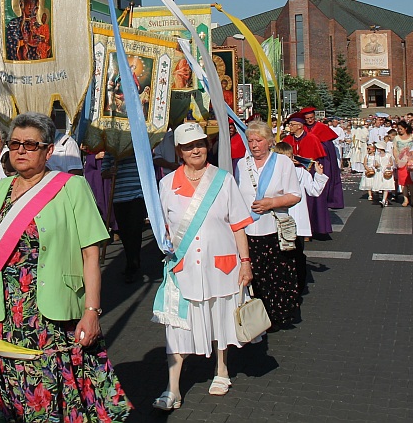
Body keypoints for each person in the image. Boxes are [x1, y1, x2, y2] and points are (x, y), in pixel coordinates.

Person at [0, 112, 131, 421]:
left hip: (53, 319)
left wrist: (92, 312)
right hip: (7, 318)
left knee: (56, 395)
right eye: (15, 143)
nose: (20, 150)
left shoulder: (72, 188)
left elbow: (91, 254)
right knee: (15, 398)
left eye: (30, 144)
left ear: (48, 151)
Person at [151, 122, 253, 410]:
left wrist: (245, 262)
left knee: (221, 316)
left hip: (222, 265)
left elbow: (238, 225)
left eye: (199, 144)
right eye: (188, 146)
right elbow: (163, 228)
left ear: (207, 146)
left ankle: (222, 371)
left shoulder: (223, 180)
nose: (195, 150)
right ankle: (172, 389)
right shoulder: (167, 184)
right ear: (179, 152)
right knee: (176, 325)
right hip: (183, 269)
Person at [233, 121, 301, 329]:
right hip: (248, 231)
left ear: (270, 142)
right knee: (254, 275)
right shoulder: (242, 165)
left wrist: (272, 202)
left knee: (276, 276)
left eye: (259, 140)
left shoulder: (282, 163)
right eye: (250, 141)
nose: (254, 145)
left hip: (273, 229)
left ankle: (276, 316)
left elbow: (295, 195)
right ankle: (256, 316)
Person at [271, 141, 324, 295]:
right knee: (282, 254)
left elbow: (314, 191)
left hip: (297, 220)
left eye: (290, 157)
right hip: (279, 220)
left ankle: (299, 285)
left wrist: (319, 175)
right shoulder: (272, 175)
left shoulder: (300, 173)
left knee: (297, 253)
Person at [282, 114, 332, 236]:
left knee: (310, 202)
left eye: (292, 125)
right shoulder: (287, 140)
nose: (290, 127)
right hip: (290, 173)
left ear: (300, 126)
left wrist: (302, 161)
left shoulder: (312, 138)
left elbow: (317, 158)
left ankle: (311, 228)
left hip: (307, 173)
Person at [101, 153, 147, 283]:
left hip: (137, 195)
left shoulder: (137, 147)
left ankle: (132, 265)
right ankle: (131, 260)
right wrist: (111, 171)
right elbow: (103, 173)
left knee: (135, 230)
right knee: (125, 233)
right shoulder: (111, 149)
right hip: (119, 196)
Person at [392, 121, 413, 206]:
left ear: (405, 128)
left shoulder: (412, 136)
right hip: (401, 161)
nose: (399, 130)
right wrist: (396, 159)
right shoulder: (397, 138)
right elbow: (394, 149)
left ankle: (412, 197)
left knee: (411, 181)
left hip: (411, 161)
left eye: (401, 129)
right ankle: (406, 198)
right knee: (403, 181)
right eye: (398, 129)